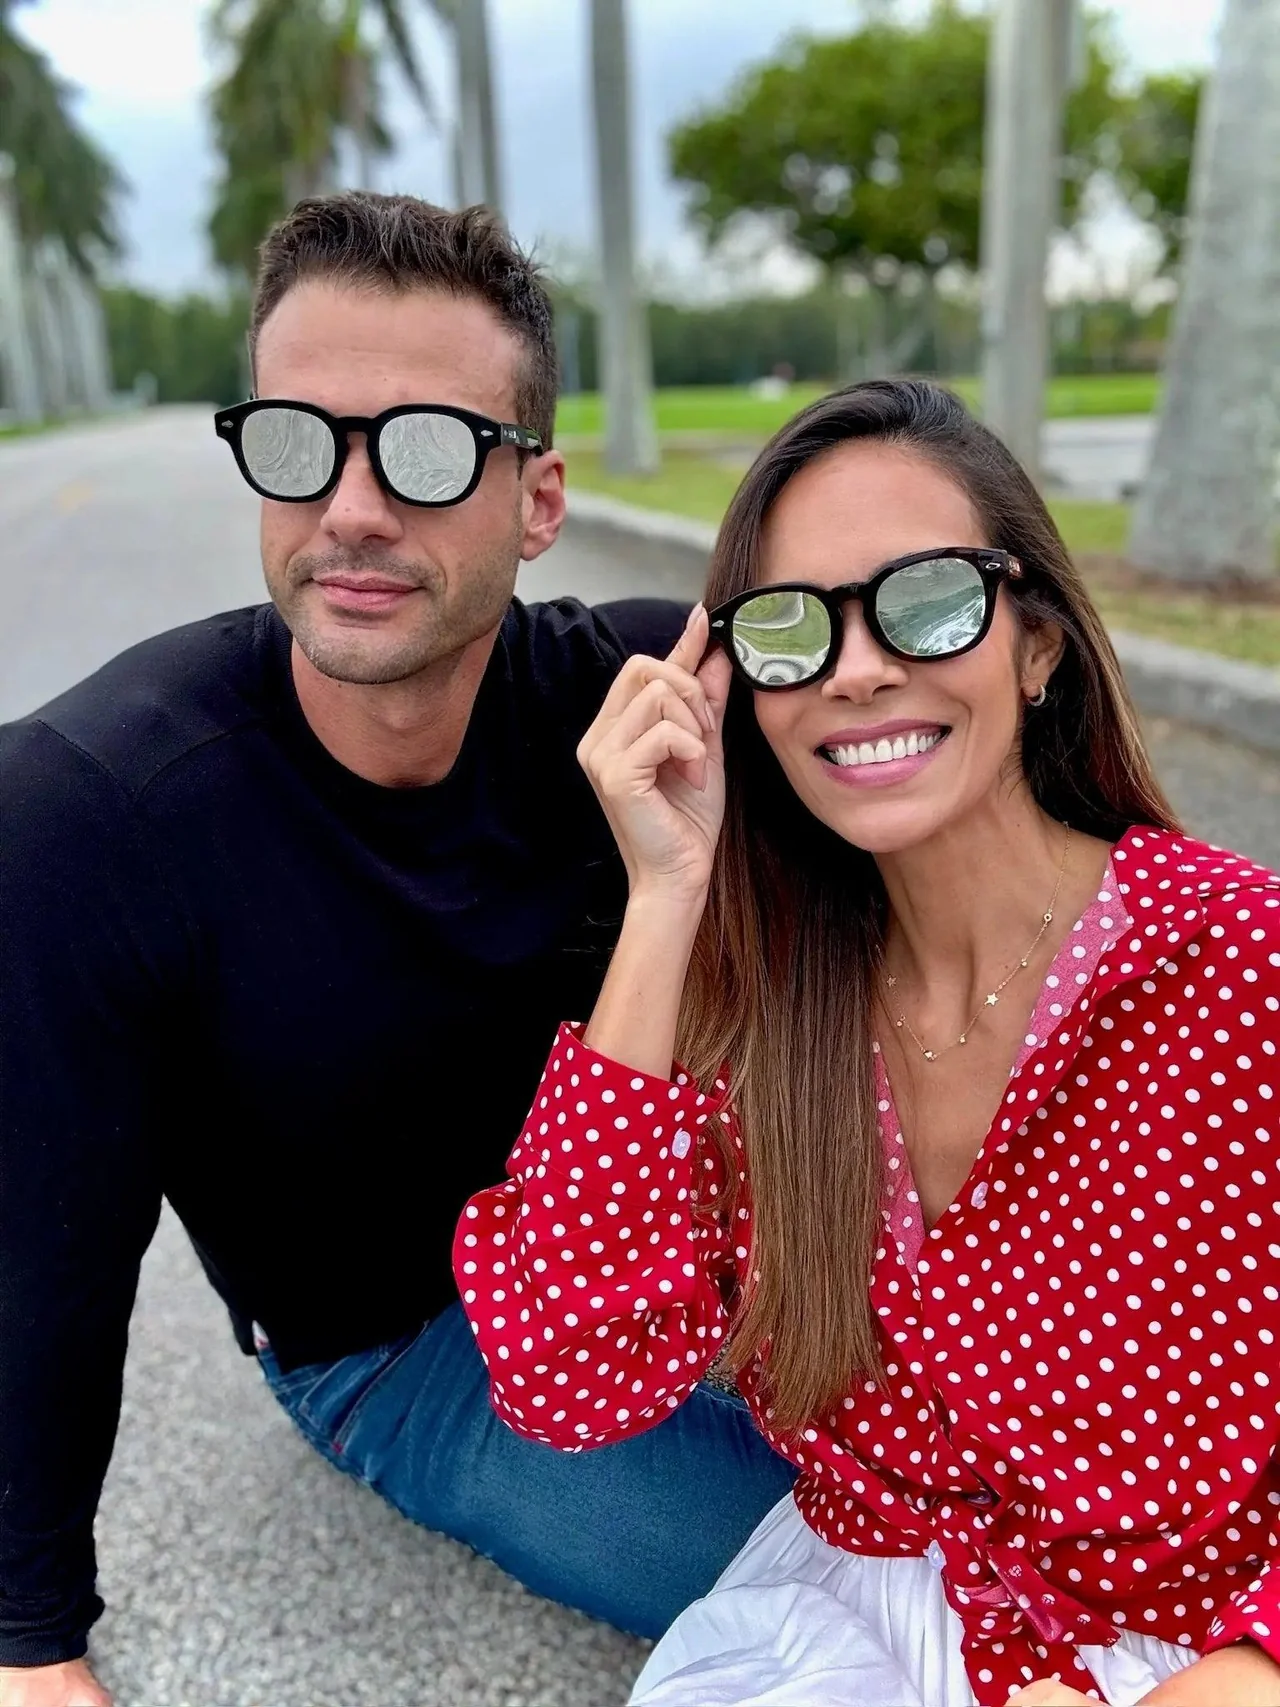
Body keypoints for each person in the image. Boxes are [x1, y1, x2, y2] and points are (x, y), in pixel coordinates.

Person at [0, 193, 796, 1707]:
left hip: (673, 1235)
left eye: (426, 449)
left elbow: (914, 738)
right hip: (400, 1341)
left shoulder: (631, 692)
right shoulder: (94, 810)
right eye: (300, 441)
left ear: (539, 500)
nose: (353, 506)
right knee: (815, 1549)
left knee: (1045, 1439)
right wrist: (31, 1644)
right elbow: (42, 1249)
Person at [457, 378, 1280, 1707]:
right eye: (789, 627)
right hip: (843, 1619)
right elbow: (565, 1376)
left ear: (1039, 646)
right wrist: (666, 894)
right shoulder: (767, 1018)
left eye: (928, 598)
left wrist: (1248, 1659)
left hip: (1200, 1647)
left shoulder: (1238, 960)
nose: (853, 665)